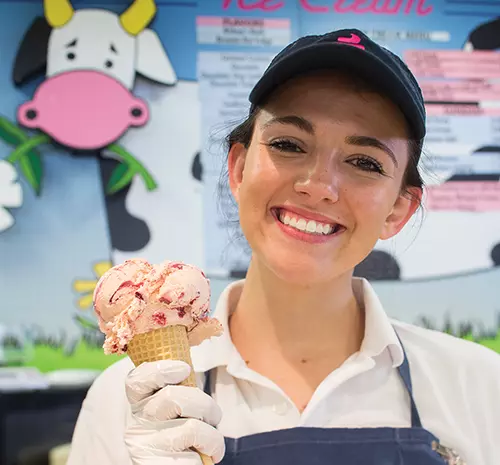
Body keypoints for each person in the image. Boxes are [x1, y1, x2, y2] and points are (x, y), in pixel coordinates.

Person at [67, 29, 500, 465]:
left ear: (397, 210)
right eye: (288, 144)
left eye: (365, 162)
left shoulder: (476, 386)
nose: (318, 186)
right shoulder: (129, 399)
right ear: (237, 169)